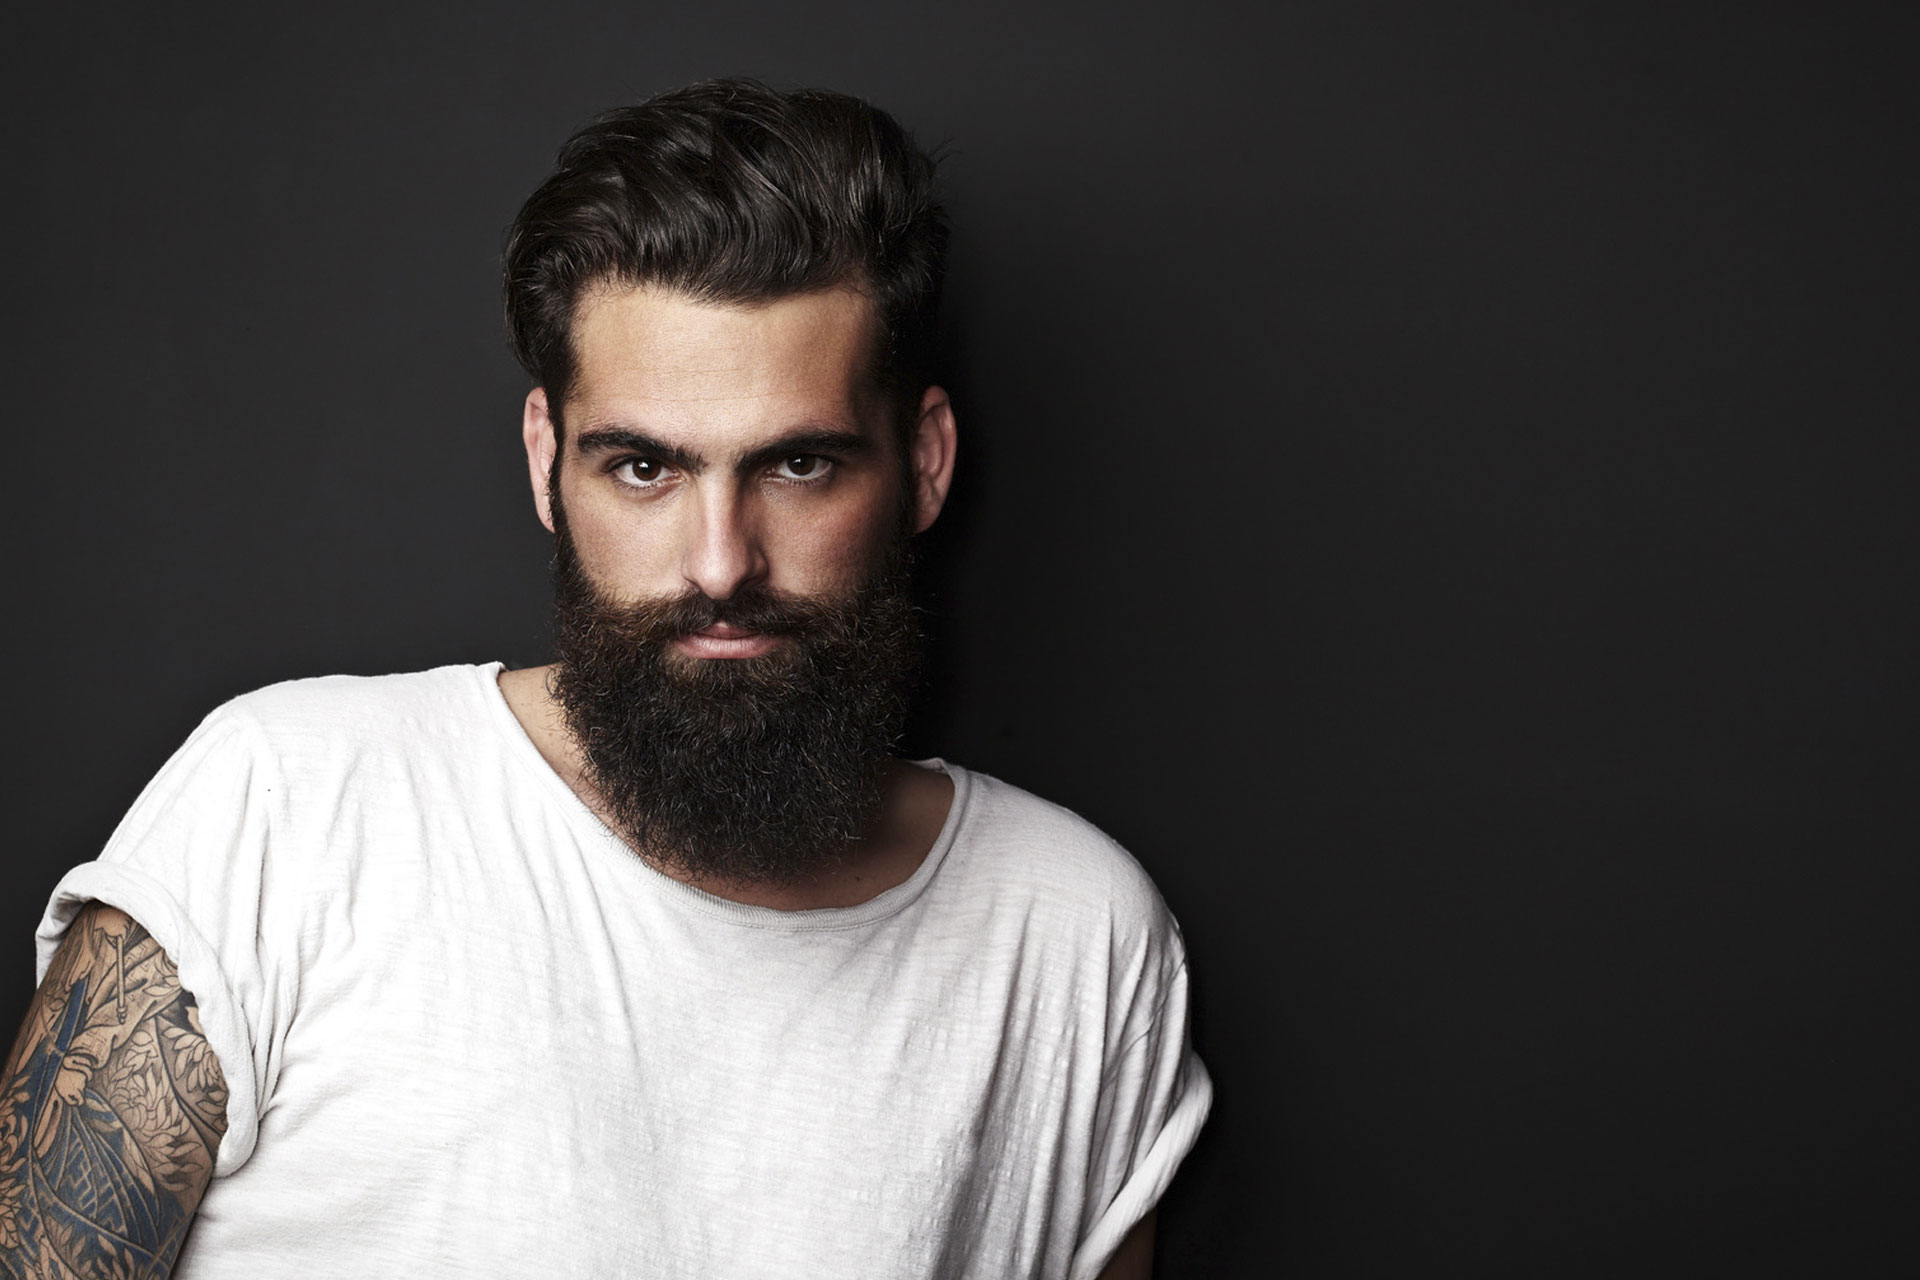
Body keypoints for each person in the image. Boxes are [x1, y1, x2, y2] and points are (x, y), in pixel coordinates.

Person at [0, 79, 1210, 1279]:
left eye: (798, 465)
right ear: (547, 462)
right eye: (642, 468)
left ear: (925, 462)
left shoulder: (1077, 935)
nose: (720, 562)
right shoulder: (288, 804)